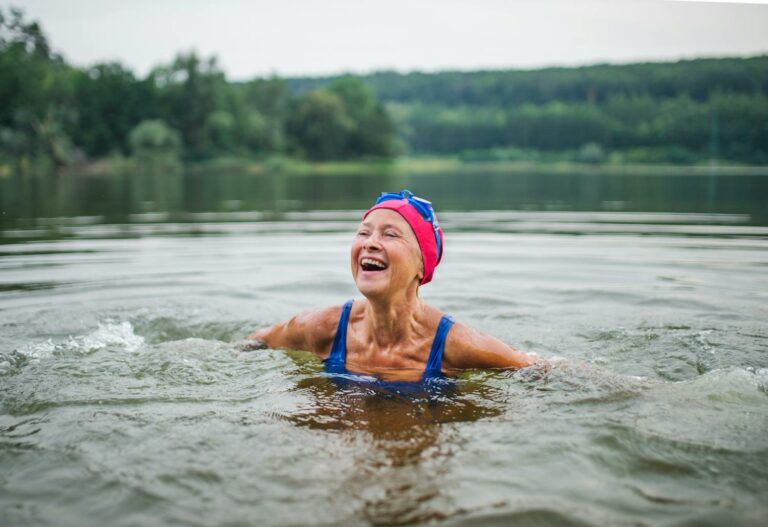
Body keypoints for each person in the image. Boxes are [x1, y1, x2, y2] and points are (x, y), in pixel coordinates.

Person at [245, 189, 543, 383]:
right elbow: (256, 342)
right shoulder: (323, 327)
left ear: (422, 266)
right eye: (364, 233)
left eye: (390, 235)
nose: (370, 243)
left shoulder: (455, 344)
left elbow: (537, 368)